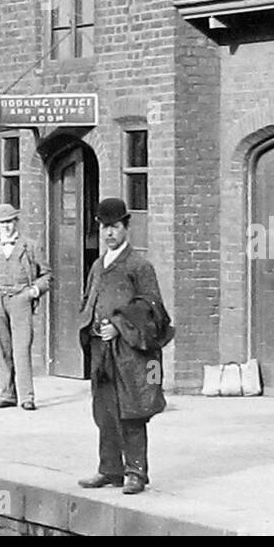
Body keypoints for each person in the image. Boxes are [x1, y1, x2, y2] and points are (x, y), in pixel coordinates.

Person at [75, 197, 174, 495]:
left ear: (126, 227)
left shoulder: (139, 266)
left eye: (115, 227)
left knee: (131, 410)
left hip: (131, 354)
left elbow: (152, 308)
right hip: (101, 352)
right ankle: (110, 469)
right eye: (104, 227)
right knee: (104, 410)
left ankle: (136, 473)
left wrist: (118, 327)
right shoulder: (97, 265)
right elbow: (89, 302)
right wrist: (93, 326)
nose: (109, 233)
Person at [0, 203, 51, 411]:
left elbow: (47, 275)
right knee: (2, 348)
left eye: (9, 222)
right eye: (1, 223)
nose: (6, 227)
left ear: (16, 222)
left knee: (21, 348)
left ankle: (27, 397)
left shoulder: (30, 246)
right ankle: (7, 394)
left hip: (20, 299)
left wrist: (33, 291)